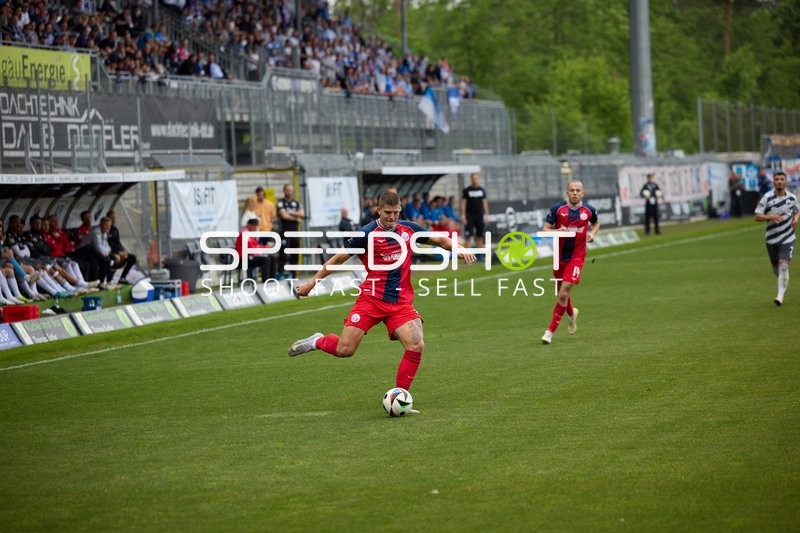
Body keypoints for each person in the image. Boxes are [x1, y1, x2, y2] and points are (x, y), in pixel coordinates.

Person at [287, 192, 476, 397]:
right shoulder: (366, 234)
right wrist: (310, 285)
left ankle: (399, 396)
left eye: (396, 213)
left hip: (401, 303)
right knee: (345, 349)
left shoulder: (409, 229)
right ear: (379, 210)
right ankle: (317, 341)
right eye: (388, 212)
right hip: (372, 299)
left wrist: (459, 248)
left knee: (416, 345)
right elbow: (337, 259)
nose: (392, 217)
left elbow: (441, 240)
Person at [540, 180, 600, 344]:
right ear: (567, 192)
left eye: (577, 190)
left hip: (577, 257)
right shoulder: (557, 209)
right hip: (559, 257)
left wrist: (593, 233)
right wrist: (556, 230)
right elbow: (544, 230)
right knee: (561, 293)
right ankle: (572, 313)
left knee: (564, 292)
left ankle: (549, 332)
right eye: (571, 190)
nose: (574, 193)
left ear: (583, 193)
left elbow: (596, 223)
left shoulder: (589, 210)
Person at [754, 171, 799, 306]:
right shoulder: (767, 198)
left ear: (786, 182)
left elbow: (797, 211)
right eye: (777, 179)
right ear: (773, 182)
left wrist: (796, 219)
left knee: (783, 266)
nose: (779, 181)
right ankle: (783, 281)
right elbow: (757, 216)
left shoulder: (792, 198)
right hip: (771, 240)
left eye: (782, 179)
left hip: (788, 238)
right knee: (777, 270)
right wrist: (771, 217)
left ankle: (780, 296)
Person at [276, 183, 305, 277]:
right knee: (283, 253)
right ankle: (281, 273)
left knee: (294, 253)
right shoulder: (281, 202)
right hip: (285, 232)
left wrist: (290, 212)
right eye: (287, 190)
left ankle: (294, 274)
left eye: (290, 190)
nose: (289, 192)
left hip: (295, 232)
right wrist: (296, 218)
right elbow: (284, 216)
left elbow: (302, 214)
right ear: (284, 191)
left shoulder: (296, 203)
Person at [106, 210, 137, 284]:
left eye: (115, 218)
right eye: (112, 218)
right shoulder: (105, 230)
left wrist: (123, 251)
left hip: (118, 252)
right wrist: (117, 252)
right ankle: (109, 280)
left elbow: (118, 242)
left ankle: (122, 278)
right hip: (109, 252)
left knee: (132, 258)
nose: (114, 220)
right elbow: (106, 244)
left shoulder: (115, 230)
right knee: (116, 259)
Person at [461, 173, 489, 247]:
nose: (475, 180)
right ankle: (467, 255)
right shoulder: (467, 190)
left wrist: (486, 215)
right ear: (471, 179)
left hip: (479, 215)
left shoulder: (481, 190)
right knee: (468, 235)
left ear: (478, 179)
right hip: (469, 215)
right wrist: (463, 216)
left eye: (476, 178)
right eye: (473, 178)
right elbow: (463, 203)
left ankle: (479, 254)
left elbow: (485, 203)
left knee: (480, 235)